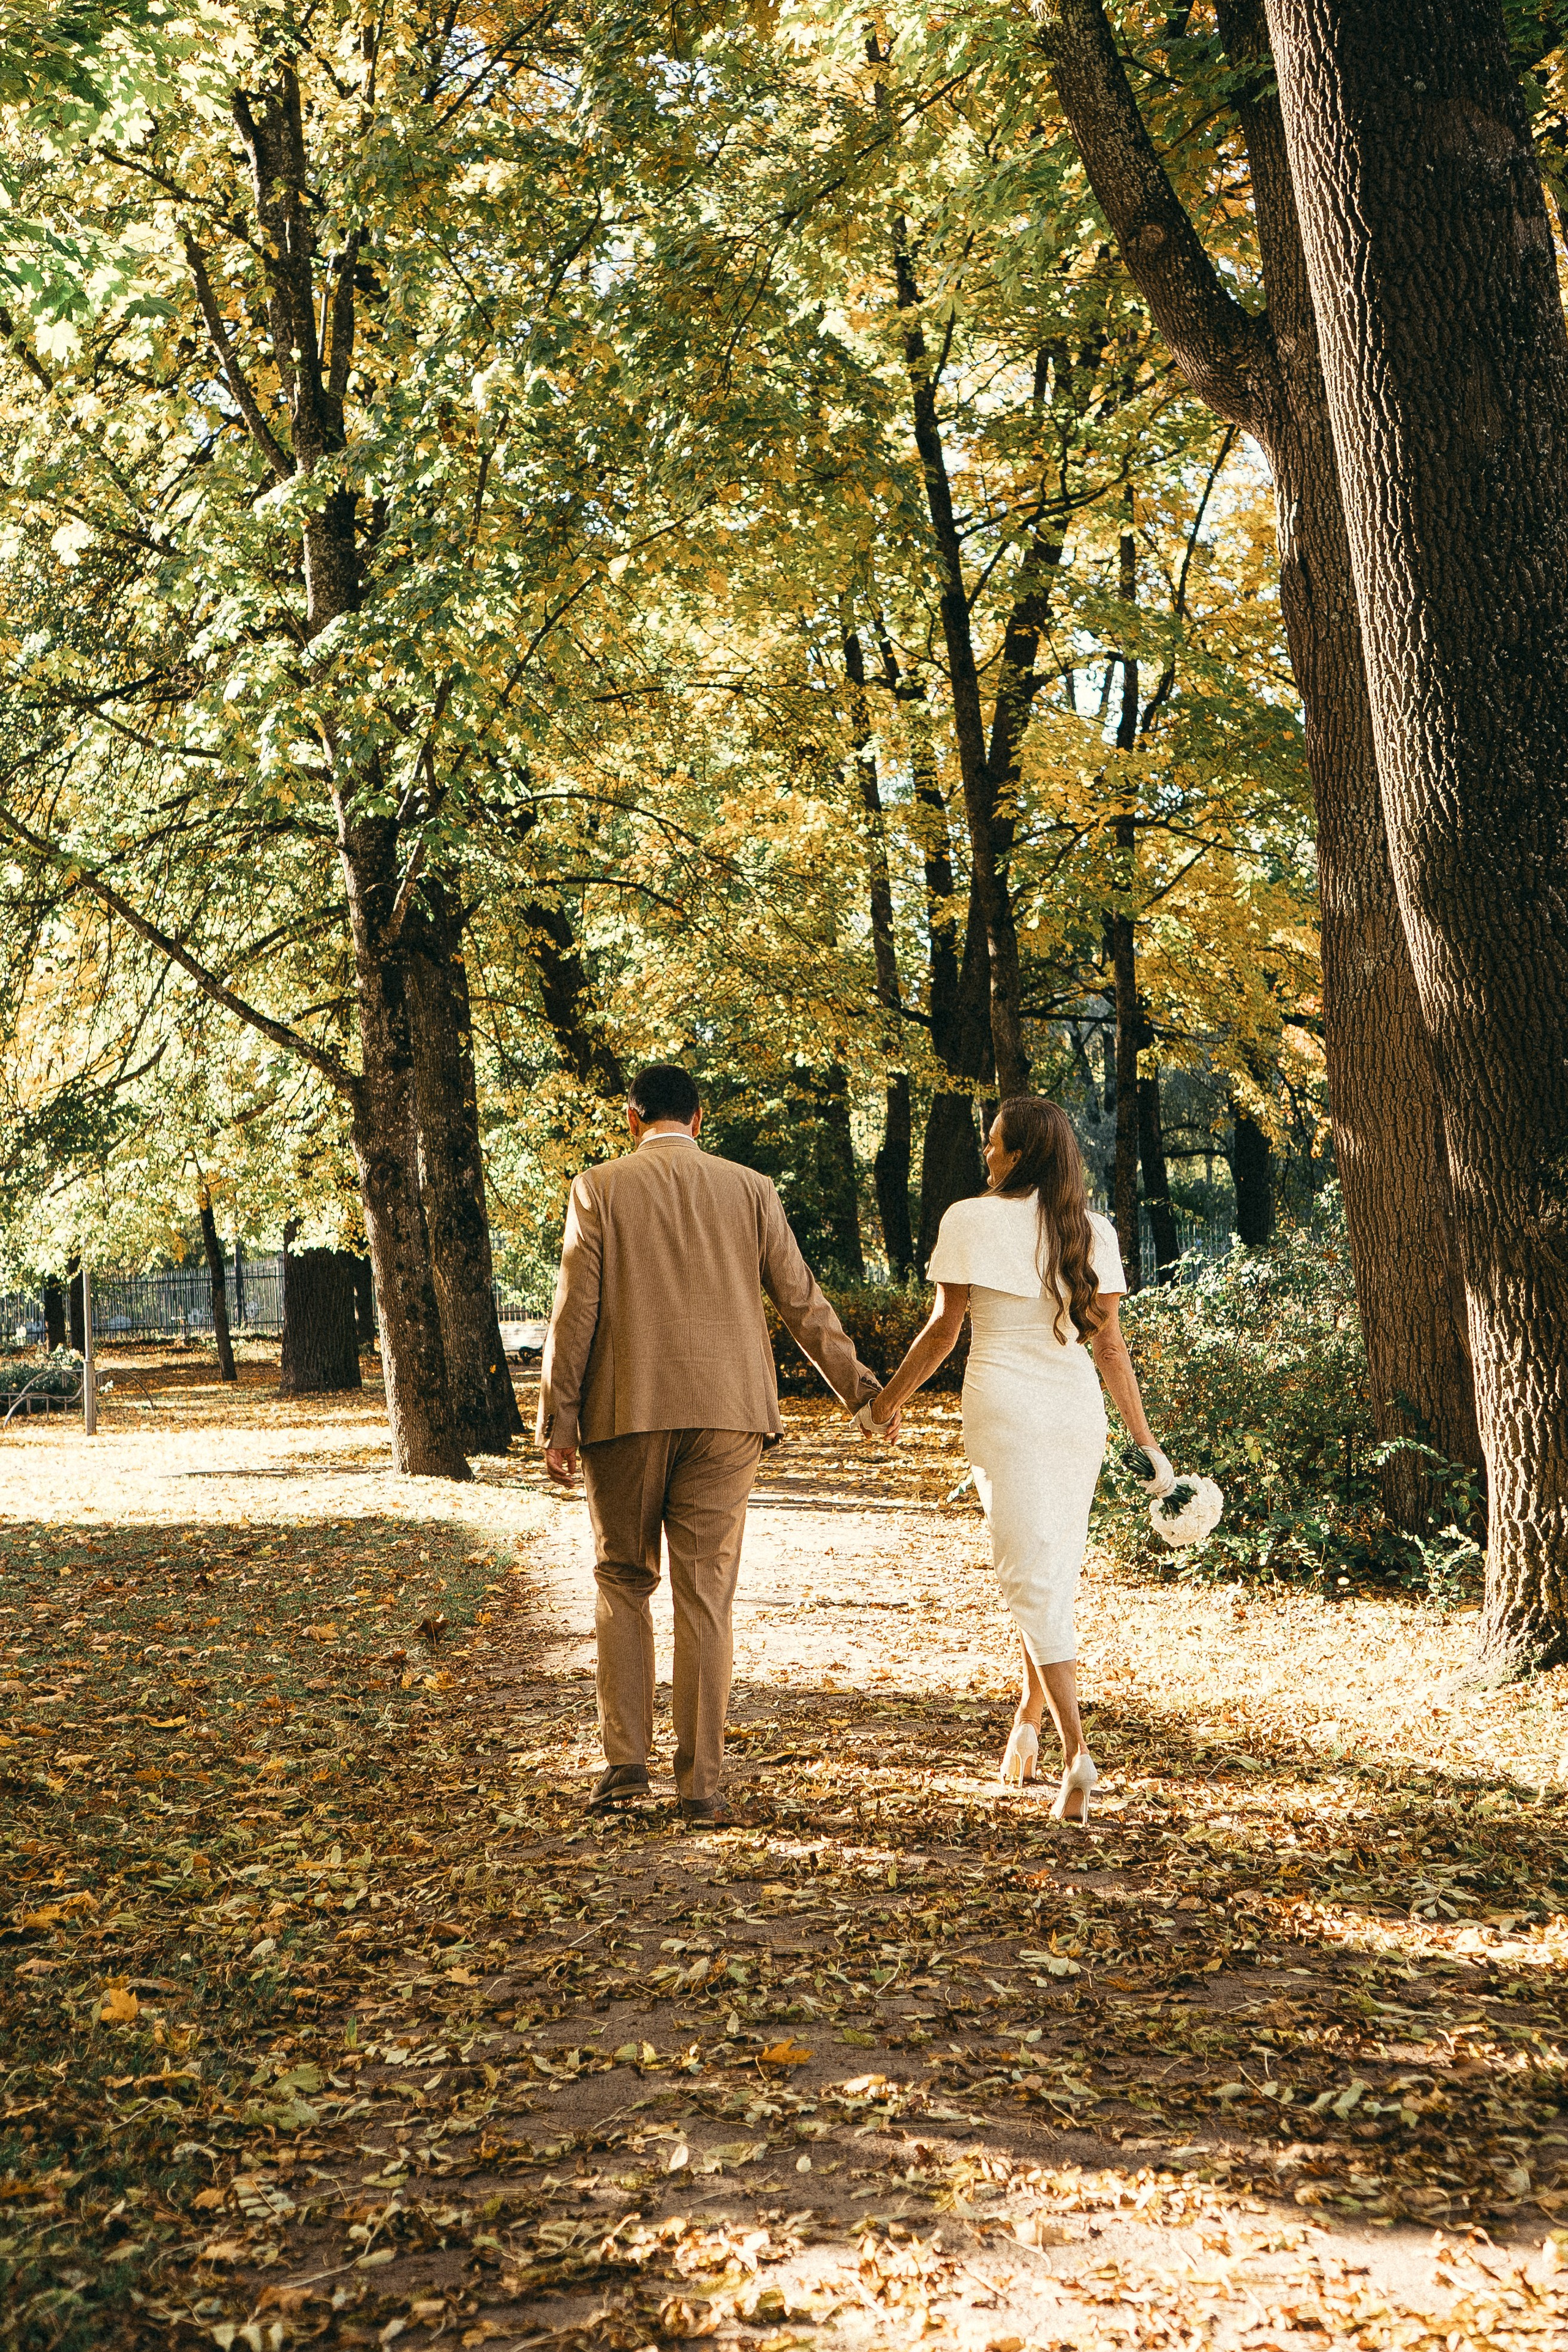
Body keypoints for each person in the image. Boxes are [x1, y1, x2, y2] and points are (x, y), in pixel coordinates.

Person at [537, 1063, 895, 1824]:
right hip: (730, 1413)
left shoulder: (598, 1187)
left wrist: (558, 1421)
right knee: (706, 1595)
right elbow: (800, 1298)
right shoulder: (750, 1187)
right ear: (700, 1120)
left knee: (622, 1580)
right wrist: (862, 1391)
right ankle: (701, 1787)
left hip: (624, 1408)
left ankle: (624, 1764)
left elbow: (575, 1312)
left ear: (632, 1119)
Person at [863, 1096, 1172, 1823]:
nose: (986, 1154)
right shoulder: (1092, 1231)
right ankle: (1028, 1719)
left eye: (995, 1144)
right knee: (1046, 1568)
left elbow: (943, 1332)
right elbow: (1110, 1350)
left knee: (1028, 1573)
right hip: (1074, 1416)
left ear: (1020, 1154)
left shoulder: (968, 1218)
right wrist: (1144, 1440)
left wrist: (885, 1403)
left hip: (1005, 1408)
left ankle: (1077, 1753)